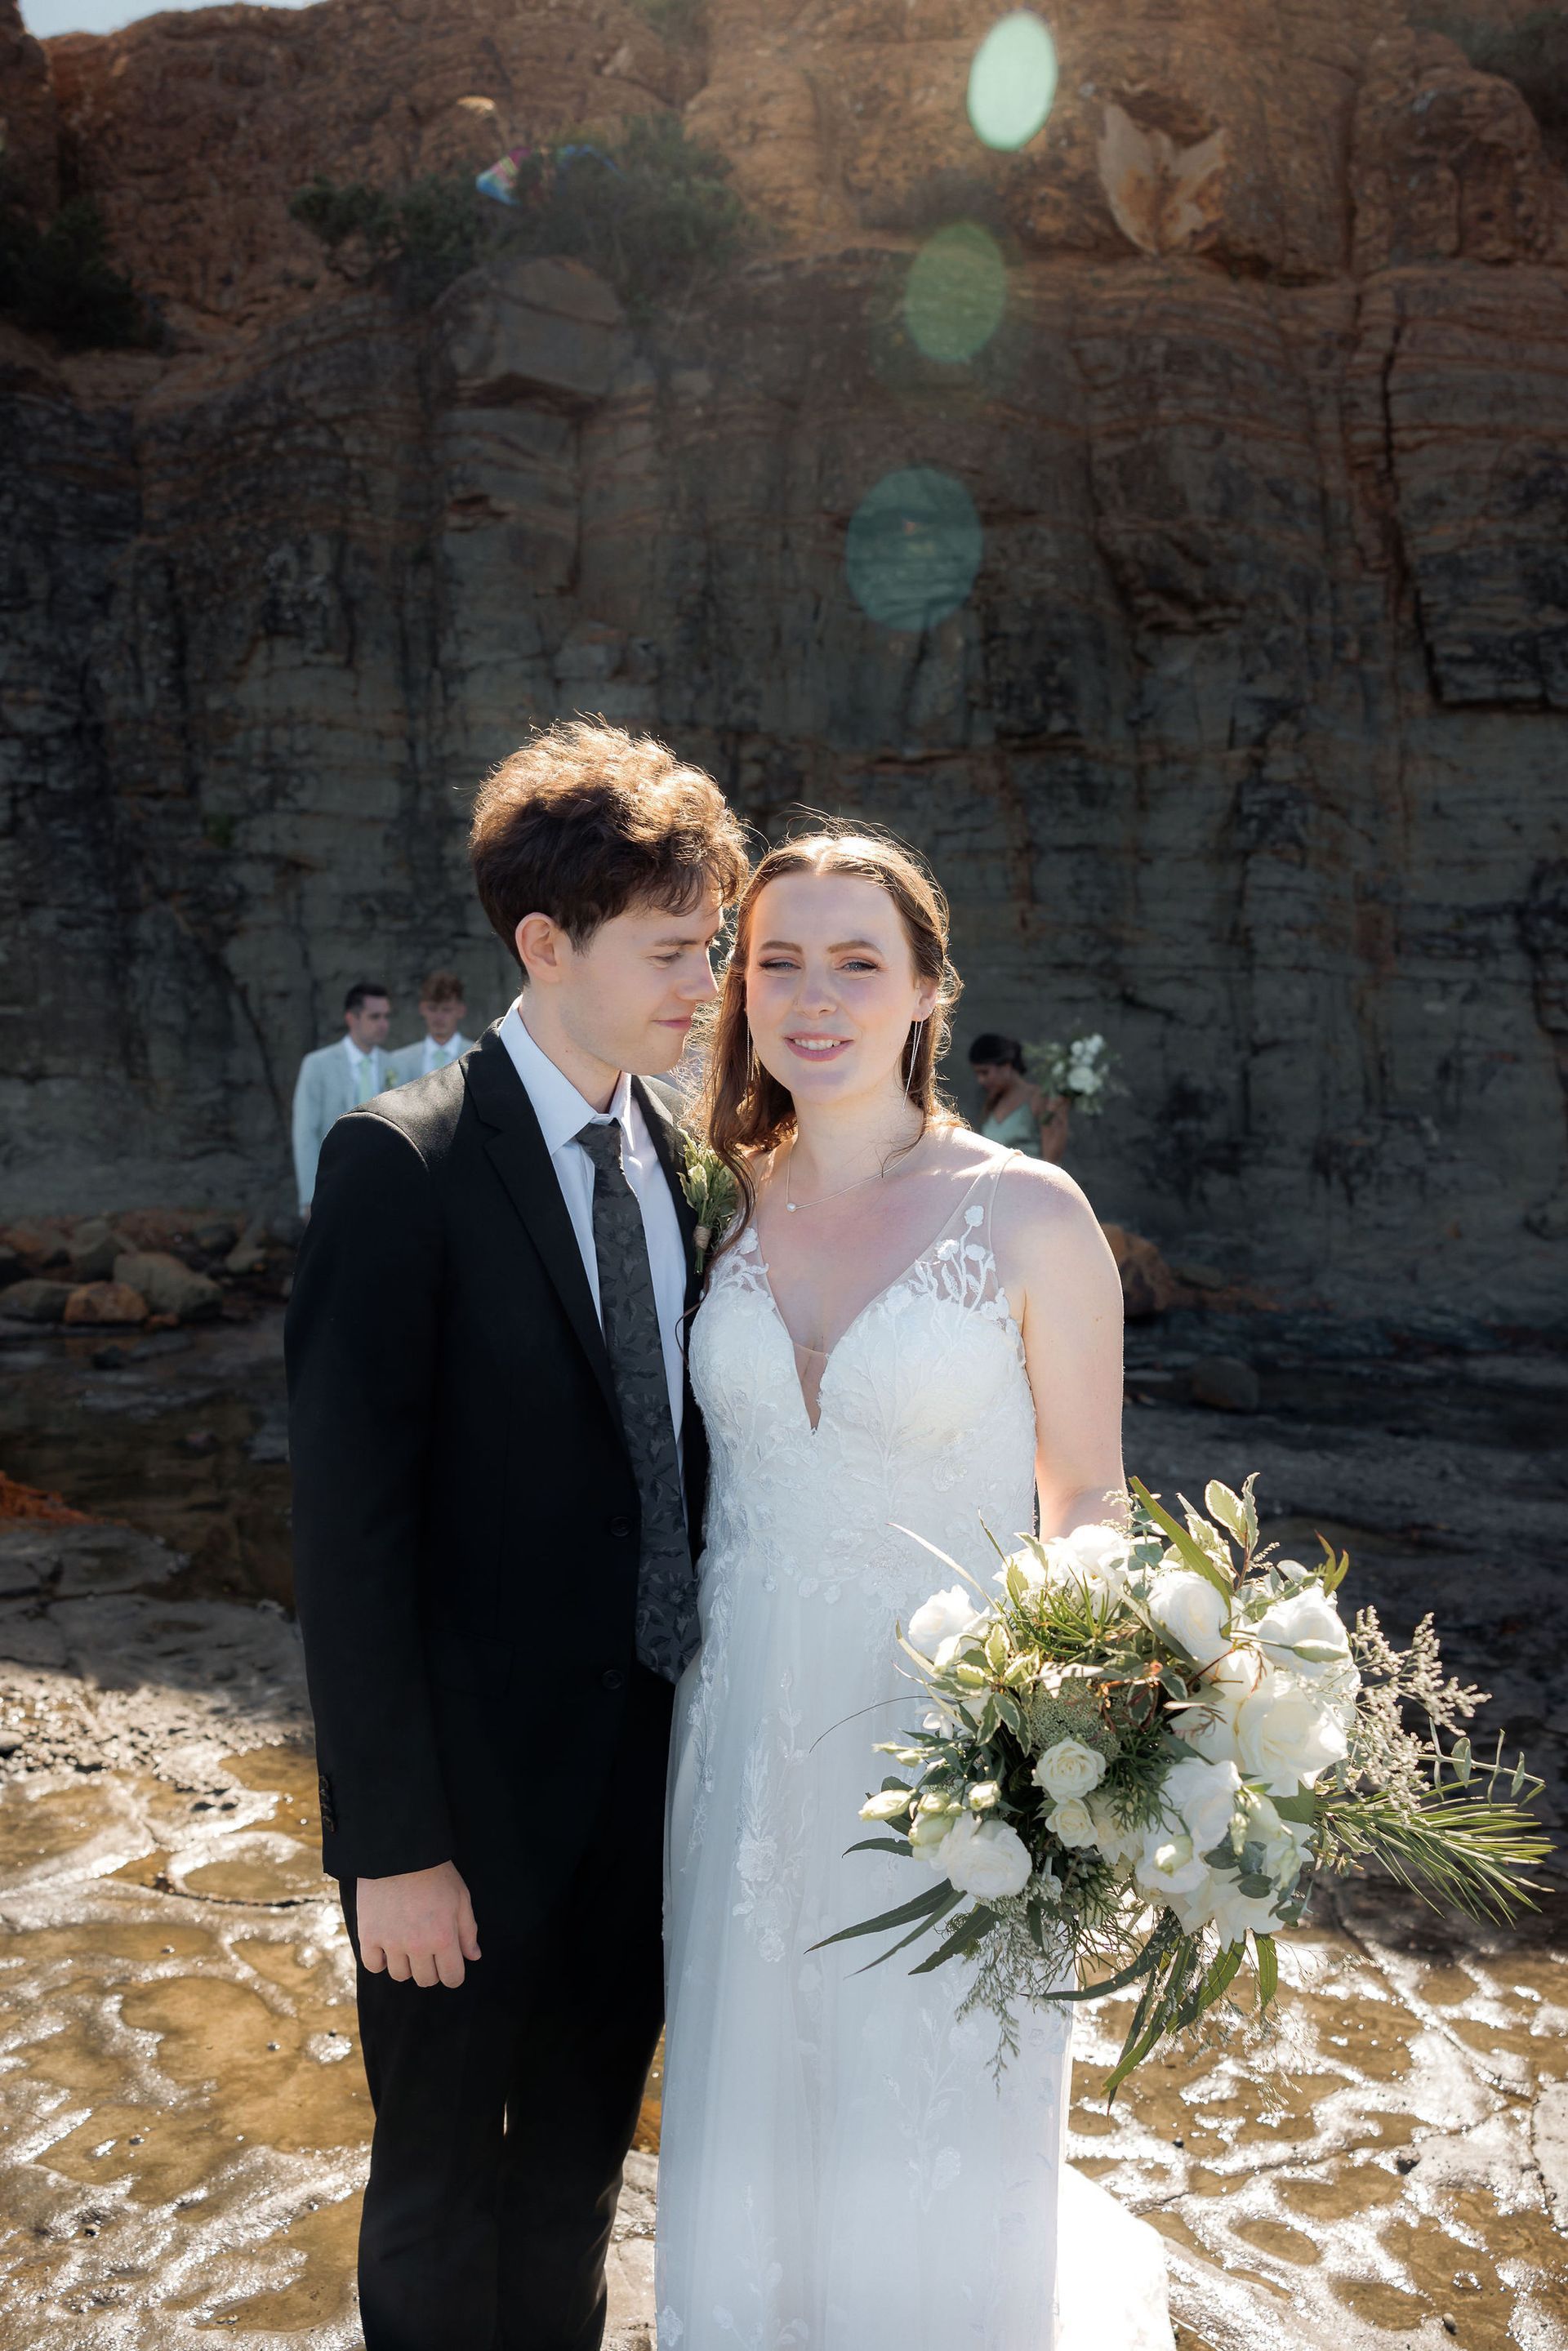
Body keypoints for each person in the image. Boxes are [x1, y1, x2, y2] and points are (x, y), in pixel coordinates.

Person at [657, 830, 1172, 2349]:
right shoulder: (709, 1204)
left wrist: (1090, 1716)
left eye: (856, 960)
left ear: (928, 988)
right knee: (754, 2082)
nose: (814, 997)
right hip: (741, 1722)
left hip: (954, 1745)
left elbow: (1090, 1494)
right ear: (740, 989)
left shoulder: (1028, 1213)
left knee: (935, 2090)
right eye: (778, 961)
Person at [284, 720, 749, 2351]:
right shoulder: (396, 1160)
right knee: (432, 2192)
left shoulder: (690, 1168)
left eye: (712, 945)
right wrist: (390, 1844)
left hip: (651, 1802)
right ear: (545, 945)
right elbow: (344, 1535)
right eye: (675, 948)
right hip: (458, 1830)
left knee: (570, 2184)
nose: (708, 980)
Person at [291, 982, 396, 1217]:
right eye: (375, 1017)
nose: (383, 1024)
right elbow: (305, 1132)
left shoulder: (395, 1064)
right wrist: (308, 1197)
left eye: (386, 1017)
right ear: (352, 1018)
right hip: (334, 1185)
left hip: (388, 1187)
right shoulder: (317, 1064)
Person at [969, 1027, 1070, 1163]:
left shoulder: (1039, 1098)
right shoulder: (992, 1102)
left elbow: (1051, 1160)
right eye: (978, 1074)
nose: (981, 1080)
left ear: (1006, 1065)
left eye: (985, 1072)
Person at [388, 969, 473, 1082]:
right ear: (422, 1009)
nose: (439, 1017)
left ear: (461, 1010)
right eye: (432, 1008)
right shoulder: (399, 1060)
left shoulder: (477, 1057)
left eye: (446, 1010)